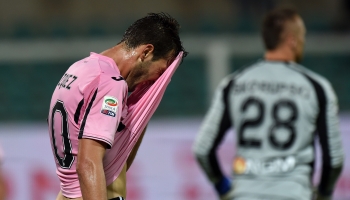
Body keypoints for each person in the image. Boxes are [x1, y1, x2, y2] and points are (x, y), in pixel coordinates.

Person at [193, 7, 343, 200]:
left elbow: (202, 149)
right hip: (294, 193)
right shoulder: (317, 87)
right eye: (302, 36)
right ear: (292, 40)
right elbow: (334, 159)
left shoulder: (234, 84)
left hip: (245, 194)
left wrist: (223, 187)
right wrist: (324, 193)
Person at [48, 12, 187, 200]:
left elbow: (118, 161)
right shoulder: (110, 83)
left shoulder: (81, 68)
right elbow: (88, 162)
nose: (156, 81)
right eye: (160, 72)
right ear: (146, 52)